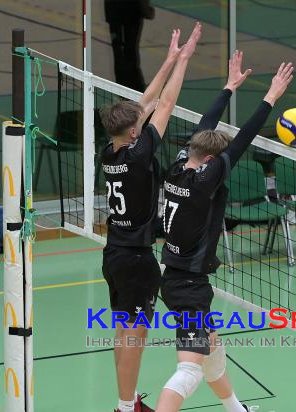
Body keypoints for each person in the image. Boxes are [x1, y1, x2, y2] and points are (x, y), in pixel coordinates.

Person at [155, 56, 294, 412]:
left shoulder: (178, 167)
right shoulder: (205, 180)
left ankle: (237, 409)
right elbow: (242, 140)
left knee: (213, 351)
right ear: (211, 161)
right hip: (188, 287)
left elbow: (205, 126)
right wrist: (271, 97)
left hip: (175, 277)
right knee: (189, 372)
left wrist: (229, 87)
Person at [99, 23, 202, 412]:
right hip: (139, 261)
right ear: (134, 132)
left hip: (114, 256)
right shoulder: (140, 156)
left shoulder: (110, 151)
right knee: (134, 340)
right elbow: (165, 104)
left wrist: (170, 58)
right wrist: (184, 59)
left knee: (122, 333)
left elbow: (142, 106)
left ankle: (126, 403)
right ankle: (126, 409)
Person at [104, 0, 156, 91]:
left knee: (123, 51)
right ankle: (133, 89)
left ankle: (128, 89)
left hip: (125, 12)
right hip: (126, 11)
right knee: (126, 52)